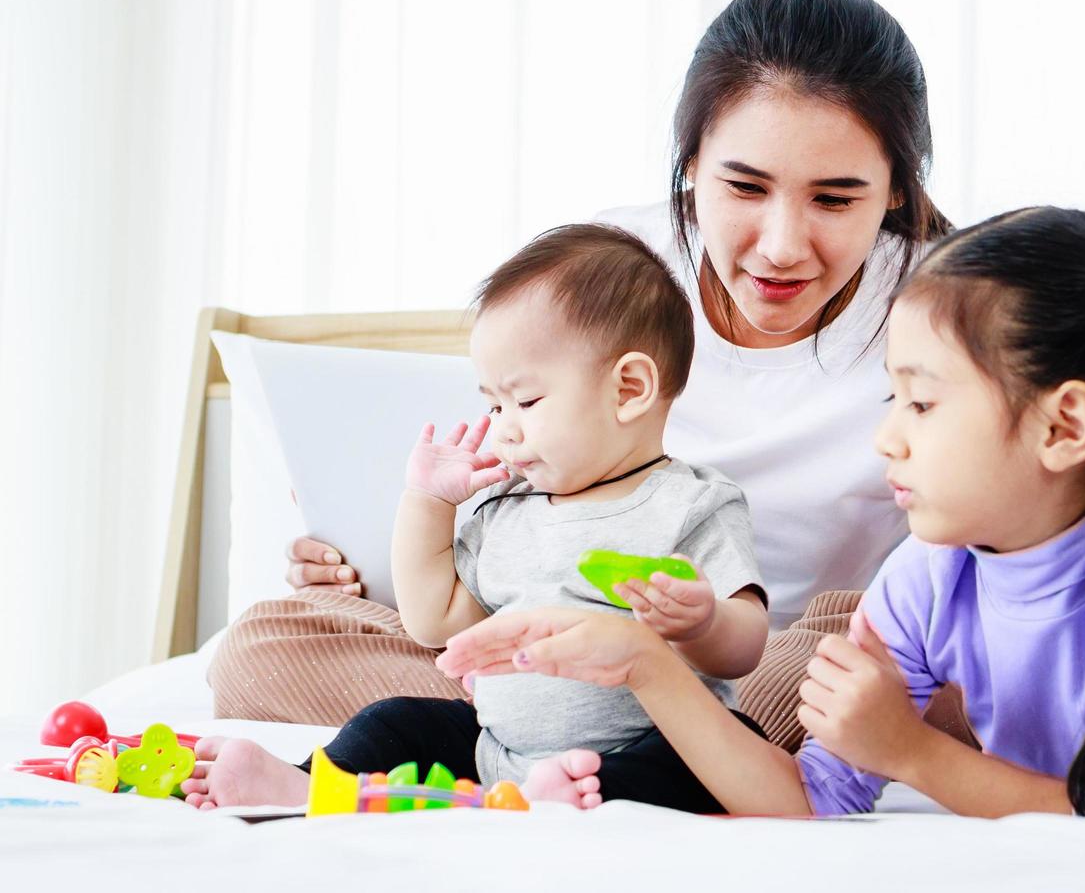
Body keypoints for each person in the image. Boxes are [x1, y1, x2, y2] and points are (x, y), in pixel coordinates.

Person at [210, 0, 1085, 753]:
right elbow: (520, 450)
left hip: (796, 644)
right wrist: (391, 547)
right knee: (257, 646)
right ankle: (601, 718)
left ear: (896, 187)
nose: (783, 243)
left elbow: (1073, 528)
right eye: (743, 188)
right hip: (566, 626)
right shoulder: (605, 269)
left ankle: (662, 722)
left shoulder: (950, 303)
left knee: (881, 663)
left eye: (837, 197)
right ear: (690, 162)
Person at [436, 207, 1085, 816]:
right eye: (893, 396)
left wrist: (916, 754)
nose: (888, 435)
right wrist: (646, 662)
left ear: (1063, 427)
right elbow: (803, 803)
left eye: (922, 402)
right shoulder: (928, 573)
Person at [183, 225, 768, 812]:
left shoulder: (692, 505)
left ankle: (568, 799)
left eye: (527, 401)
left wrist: (702, 623)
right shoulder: (507, 510)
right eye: (493, 404)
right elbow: (431, 620)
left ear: (631, 388)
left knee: (729, 745)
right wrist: (428, 502)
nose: (505, 428)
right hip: (499, 753)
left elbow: (744, 647)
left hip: (640, 748)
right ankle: (308, 783)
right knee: (398, 721)